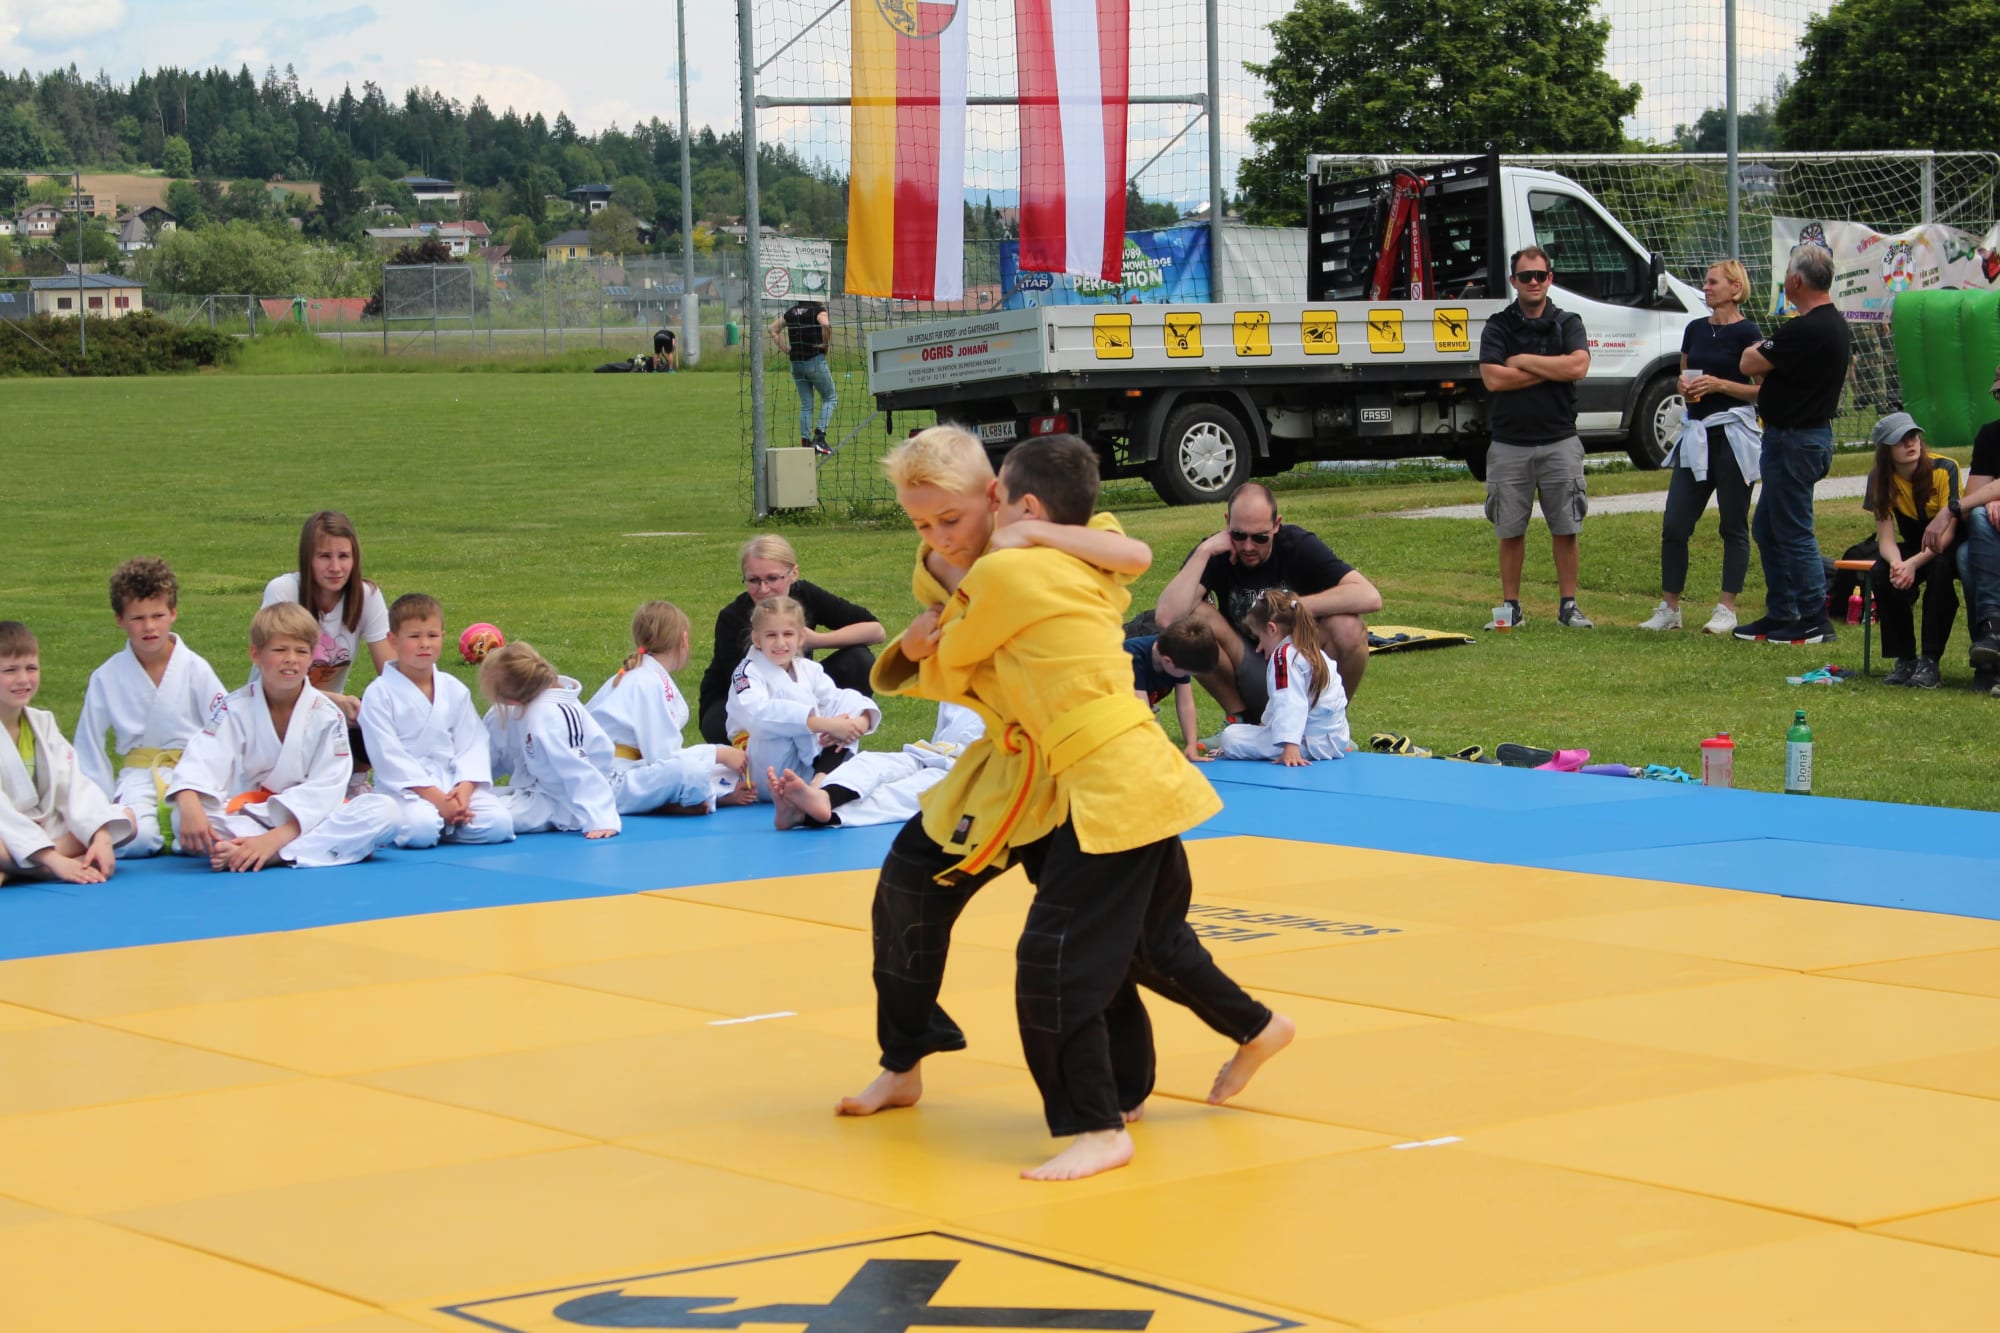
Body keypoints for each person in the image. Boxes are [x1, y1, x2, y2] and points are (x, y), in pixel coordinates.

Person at [848, 433, 1292, 1182]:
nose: (937, 537)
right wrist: (947, 600)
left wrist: (927, 642)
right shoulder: (977, 562)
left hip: (1089, 768)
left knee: (1099, 949)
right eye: (921, 524)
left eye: (950, 519)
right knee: (915, 890)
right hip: (1022, 765)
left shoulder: (1031, 556)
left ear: (997, 496)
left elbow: (1119, 558)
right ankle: (908, 1060)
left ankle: (1115, 1100)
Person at [167, 604, 401, 872]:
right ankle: (274, 849)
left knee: (386, 813)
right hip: (248, 816)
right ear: (256, 654)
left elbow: (327, 789)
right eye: (280, 650)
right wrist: (188, 801)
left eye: (301, 651)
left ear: (312, 657)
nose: (291, 659)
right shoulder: (233, 708)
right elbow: (202, 759)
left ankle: (270, 853)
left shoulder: (327, 716)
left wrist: (273, 841)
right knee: (183, 817)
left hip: (306, 820)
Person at [1154, 482, 1380, 721]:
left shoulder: (1297, 544)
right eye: (1239, 535)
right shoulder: (1216, 552)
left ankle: (1328, 721)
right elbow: (1167, 618)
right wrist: (1205, 551)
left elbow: (1369, 596)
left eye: (1260, 537)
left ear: (1276, 525)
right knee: (1192, 620)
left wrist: (1291, 607)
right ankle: (1240, 718)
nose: (1248, 546)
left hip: (1300, 666)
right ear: (1227, 522)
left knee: (1348, 627)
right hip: (1246, 664)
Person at [1639, 261, 1763, 636]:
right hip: (1696, 434)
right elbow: (1684, 374)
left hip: (1732, 434)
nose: (1705, 287)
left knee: (1733, 524)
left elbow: (1762, 390)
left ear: (1735, 288)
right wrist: (1685, 387)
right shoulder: (1694, 329)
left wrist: (1721, 386)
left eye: (1713, 282)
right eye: (1705, 282)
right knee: (1675, 523)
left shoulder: (1749, 332)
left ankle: (1727, 608)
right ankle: (1670, 608)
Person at [1736, 244, 1851, 645]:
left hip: (1793, 441)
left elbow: (1748, 362)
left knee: (1794, 531)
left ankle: (1814, 617)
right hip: (1804, 438)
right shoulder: (1831, 324)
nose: (1785, 279)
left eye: (1787, 273)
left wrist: (1762, 353)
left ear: (1797, 280)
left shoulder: (1807, 328)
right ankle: (1783, 612)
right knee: (1768, 527)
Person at [75, 557, 229, 857]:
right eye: (137, 618)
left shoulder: (195, 668)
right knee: (138, 839)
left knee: (200, 836)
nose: (149, 627)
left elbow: (226, 730)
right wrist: (98, 808)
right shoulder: (106, 677)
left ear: (173, 613)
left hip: (191, 773)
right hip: (138, 776)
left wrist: (205, 782)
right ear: (120, 620)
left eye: (158, 615)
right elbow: (89, 746)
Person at [1478, 245, 1594, 630]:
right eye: (1525, 276)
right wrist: (1551, 370)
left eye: (1540, 276)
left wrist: (1523, 361)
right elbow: (1493, 378)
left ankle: (1569, 607)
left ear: (1550, 279)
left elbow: (1578, 366)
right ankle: (1511, 607)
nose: (1533, 282)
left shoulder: (1568, 322)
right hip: (1509, 444)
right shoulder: (1498, 325)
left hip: (1560, 440)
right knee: (1510, 530)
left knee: (1566, 527)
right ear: (1513, 281)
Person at [358, 593, 515, 848]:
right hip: (406, 791)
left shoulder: (453, 688)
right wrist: (436, 799)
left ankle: (452, 818)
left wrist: (464, 790)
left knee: (499, 824)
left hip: (453, 784)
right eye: (414, 636)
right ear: (393, 640)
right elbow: (388, 756)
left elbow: (472, 744)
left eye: (432, 635)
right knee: (421, 829)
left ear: (443, 636)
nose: (424, 644)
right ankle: (442, 822)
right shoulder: (379, 693)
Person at [697, 535, 884, 745]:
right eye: (754, 580)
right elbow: (750, 693)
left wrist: (816, 640)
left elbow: (875, 630)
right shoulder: (732, 617)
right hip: (740, 704)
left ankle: (835, 739)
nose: (763, 589)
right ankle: (812, 734)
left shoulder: (805, 595)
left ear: (793, 574)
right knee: (753, 714)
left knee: (859, 660)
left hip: (801, 687)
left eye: (772, 578)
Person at [0, 620, 134, 885]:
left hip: (40, 830)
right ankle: (40, 866)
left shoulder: (42, 723)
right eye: (10, 670)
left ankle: (18, 868)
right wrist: (55, 861)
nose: (23, 679)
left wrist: (100, 837)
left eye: (31, 668)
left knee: (125, 819)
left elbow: (74, 785)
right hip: (7, 830)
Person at [590, 601, 752, 814]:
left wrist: (720, 756)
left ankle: (692, 796)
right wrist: (718, 753)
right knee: (691, 771)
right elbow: (665, 757)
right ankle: (713, 796)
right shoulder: (648, 682)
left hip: (611, 774)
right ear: (683, 640)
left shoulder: (635, 675)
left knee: (718, 769)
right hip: (611, 784)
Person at [725, 596, 880, 798]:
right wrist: (828, 725)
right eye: (771, 635)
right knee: (793, 693)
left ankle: (820, 779)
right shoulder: (746, 672)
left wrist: (860, 722)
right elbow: (758, 718)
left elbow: (836, 700)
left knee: (848, 698)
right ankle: (821, 769)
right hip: (763, 767)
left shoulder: (808, 669)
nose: (780, 642)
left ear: (800, 637)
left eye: (788, 634)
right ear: (756, 638)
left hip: (801, 765)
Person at [261, 511, 392, 727]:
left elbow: (392, 675)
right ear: (308, 559)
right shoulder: (284, 591)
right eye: (324, 556)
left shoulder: (366, 596)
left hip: (328, 719)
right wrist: (335, 701)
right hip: (274, 714)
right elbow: (275, 681)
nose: (335, 568)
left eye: (343, 556)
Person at [480, 642, 623, 838]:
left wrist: (602, 819)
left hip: (562, 804)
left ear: (511, 696)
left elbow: (580, 770)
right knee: (471, 804)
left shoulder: (552, 717)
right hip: (530, 792)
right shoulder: (510, 712)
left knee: (480, 817)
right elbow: (487, 757)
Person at [769, 702, 983, 830]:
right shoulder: (961, 672)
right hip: (931, 753)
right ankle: (823, 797)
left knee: (902, 794)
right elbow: (943, 729)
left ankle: (804, 815)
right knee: (868, 762)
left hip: (973, 770)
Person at [1864, 412, 1962, 689]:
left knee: (1940, 570)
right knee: (1882, 572)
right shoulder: (1879, 478)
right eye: (1901, 440)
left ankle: (1930, 661)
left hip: (1948, 545)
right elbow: (1885, 538)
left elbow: (1948, 534)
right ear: (1886, 450)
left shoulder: (1945, 468)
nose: (1911, 443)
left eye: (1914, 436)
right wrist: (1898, 564)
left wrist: (1913, 564)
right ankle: (1905, 658)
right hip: (1913, 543)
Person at [1921, 362, 2000, 694]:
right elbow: (1972, 502)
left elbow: (1974, 498)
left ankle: (1990, 649)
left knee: (1970, 552)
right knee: (1968, 550)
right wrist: (1981, 501)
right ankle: (1990, 649)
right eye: (1999, 394)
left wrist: (1952, 508)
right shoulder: (1991, 435)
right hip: (1994, 536)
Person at [1210, 589, 1352, 764]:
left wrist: (1290, 748)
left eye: (1260, 637)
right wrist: (1263, 728)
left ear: (1272, 629)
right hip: (1336, 738)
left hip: (1309, 743)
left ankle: (1291, 745)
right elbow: (1278, 702)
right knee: (1248, 732)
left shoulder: (1284, 657)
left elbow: (1290, 702)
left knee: (1230, 737)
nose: (1259, 646)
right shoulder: (1310, 650)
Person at [1124, 616, 1217, 761]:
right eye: (1186, 673)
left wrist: (1191, 744)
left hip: (1137, 705)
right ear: (1168, 661)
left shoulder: (1177, 655)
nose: (1186, 677)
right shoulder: (1132, 656)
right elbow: (1141, 709)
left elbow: (1186, 704)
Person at [769, 298, 835, 454]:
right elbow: (826, 325)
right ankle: (819, 437)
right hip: (814, 361)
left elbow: (772, 329)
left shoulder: (791, 312)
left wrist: (786, 349)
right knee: (830, 398)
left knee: (806, 404)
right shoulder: (818, 311)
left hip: (796, 364)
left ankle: (806, 443)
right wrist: (825, 345)